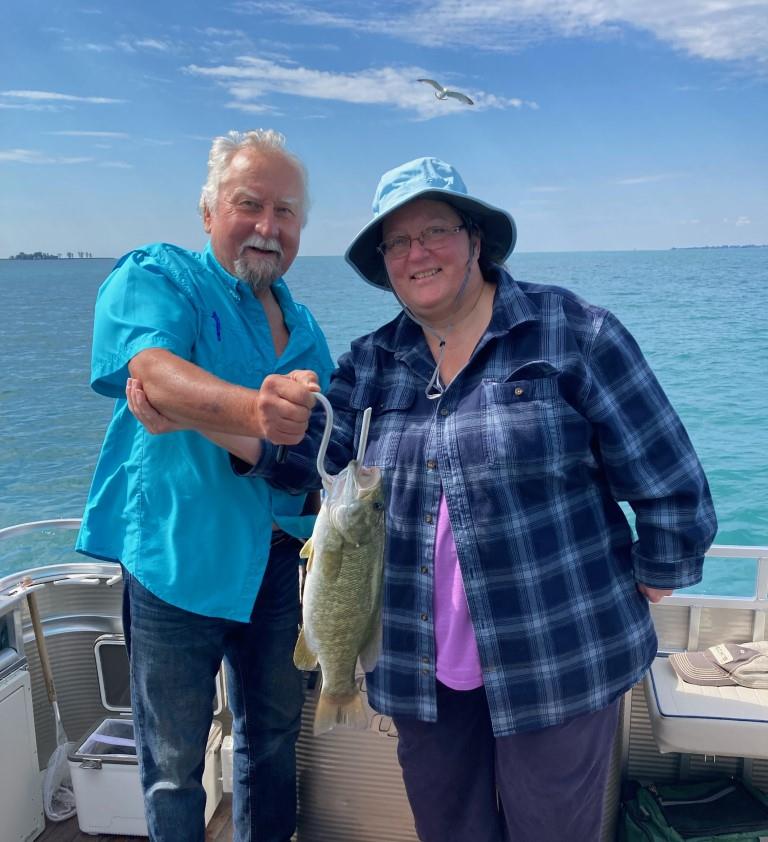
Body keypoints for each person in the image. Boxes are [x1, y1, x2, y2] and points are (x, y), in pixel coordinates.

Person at [128, 156, 718, 841]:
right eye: (398, 242)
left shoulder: (574, 333)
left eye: (434, 231)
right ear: (385, 263)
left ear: (475, 238)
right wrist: (192, 416)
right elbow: (305, 452)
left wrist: (655, 577)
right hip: (419, 671)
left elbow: (669, 476)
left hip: (558, 659)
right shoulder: (373, 362)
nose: (417, 253)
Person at [76, 129, 334, 842]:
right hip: (173, 558)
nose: (267, 226)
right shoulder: (161, 276)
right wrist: (257, 412)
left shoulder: (308, 331)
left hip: (281, 564)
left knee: (273, 741)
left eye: (285, 213)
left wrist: (204, 416)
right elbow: (152, 371)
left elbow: (321, 453)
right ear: (208, 211)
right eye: (248, 204)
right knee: (172, 761)